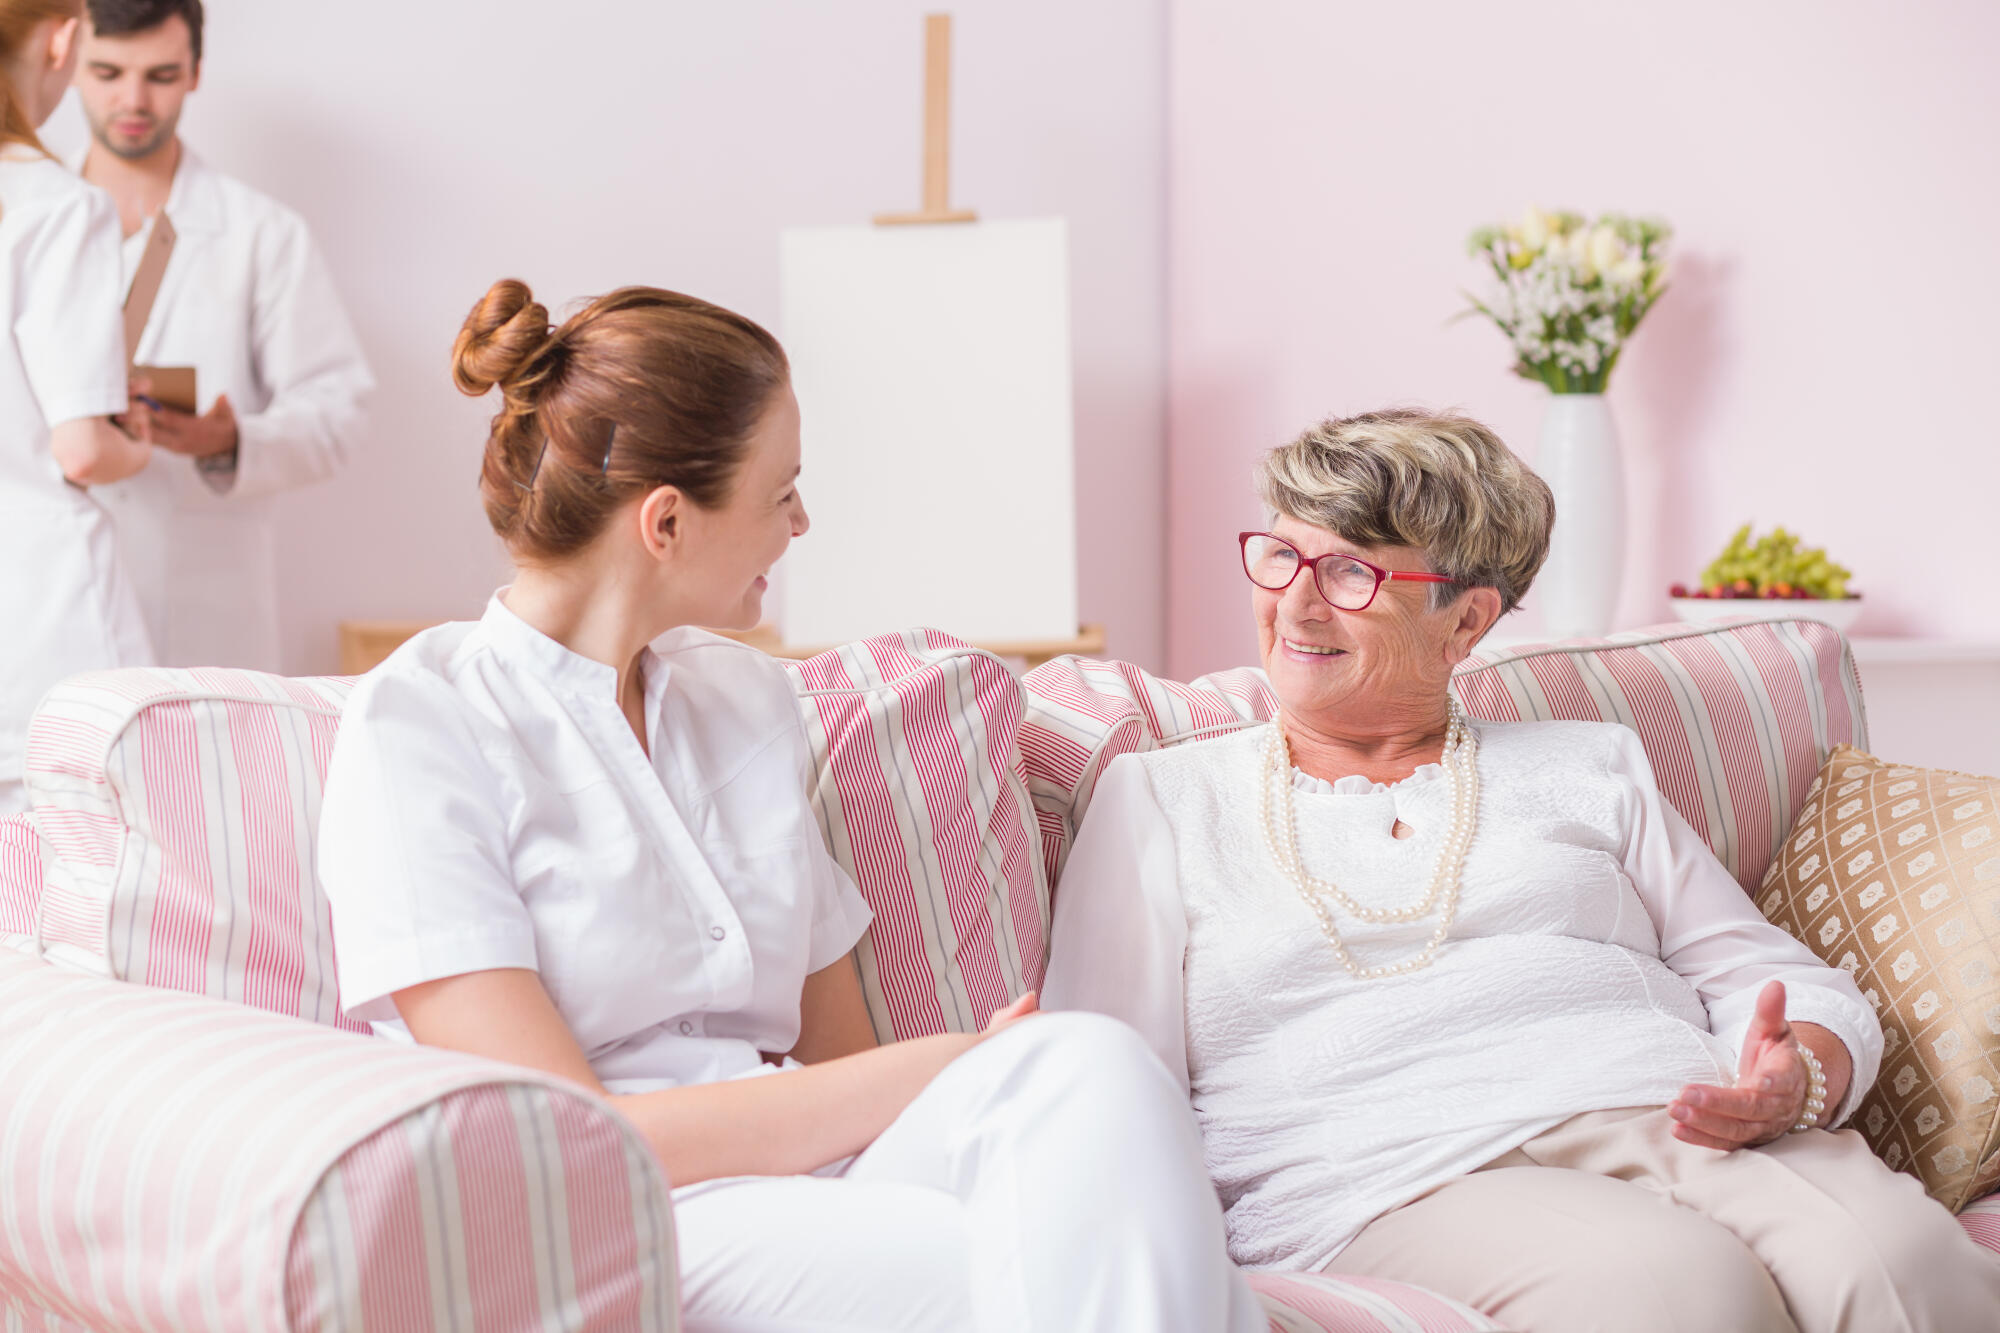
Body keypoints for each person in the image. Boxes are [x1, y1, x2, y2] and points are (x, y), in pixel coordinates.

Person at [316, 279, 1263, 1333]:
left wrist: (966, 1069)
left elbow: (840, 1064)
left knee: (1086, 1064)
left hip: (823, 1171)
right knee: (1066, 1255)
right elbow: (563, 1140)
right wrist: (946, 1061)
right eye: (781, 492)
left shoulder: (747, 701)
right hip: (639, 1214)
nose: (800, 523)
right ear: (666, 520)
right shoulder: (420, 725)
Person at [1043, 408, 2000, 1332]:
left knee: (1907, 1266)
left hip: (1670, 1111)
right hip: (1394, 1172)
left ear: (1466, 622)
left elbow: (1775, 979)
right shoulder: (1162, 798)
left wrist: (1798, 1079)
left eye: (1347, 571)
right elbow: (1102, 1077)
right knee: (1672, 1291)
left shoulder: (1591, 764)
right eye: (1282, 554)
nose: (1293, 601)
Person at [71, 0, 371, 671]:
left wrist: (232, 443)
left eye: (161, 75)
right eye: (109, 71)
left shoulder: (261, 234)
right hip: (52, 598)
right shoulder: (25, 222)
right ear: (69, 64)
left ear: (196, 73)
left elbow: (340, 412)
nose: (133, 98)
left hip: (200, 611)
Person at [0, 0, 152, 817]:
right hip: (39, 629)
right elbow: (83, 451)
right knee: (77, 914)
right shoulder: (55, 204)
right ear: (64, 37)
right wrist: (138, 441)